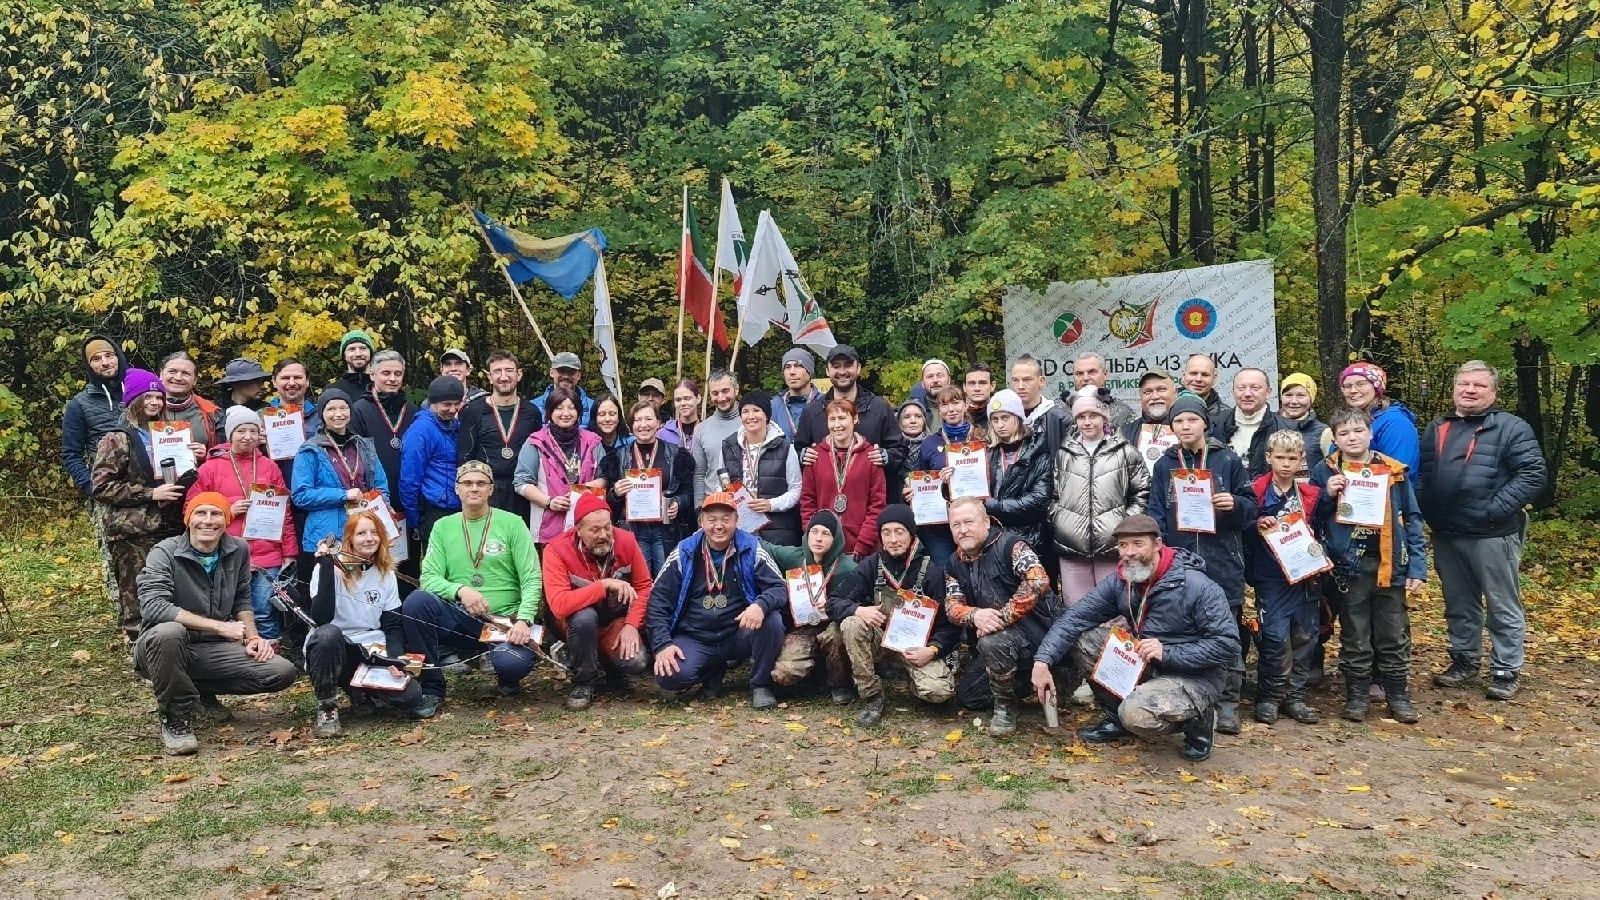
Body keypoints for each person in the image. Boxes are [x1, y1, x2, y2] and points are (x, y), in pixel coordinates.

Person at [1030, 515, 1238, 762]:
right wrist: (1042, 661)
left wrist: (1168, 652)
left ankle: (1197, 720)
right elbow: (1074, 618)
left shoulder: (1197, 585)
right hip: (1147, 661)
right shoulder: (1122, 581)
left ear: (1158, 544)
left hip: (1195, 676)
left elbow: (1228, 645)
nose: (1128, 553)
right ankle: (1115, 718)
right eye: (1122, 545)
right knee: (1084, 638)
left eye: (1138, 544)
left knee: (1136, 716)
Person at [134, 492, 299, 755]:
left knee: (281, 671)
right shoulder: (164, 552)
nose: (208, 521)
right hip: (162, 648)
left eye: (216, 514)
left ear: (226, 521)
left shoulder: (238, 549)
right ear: (188, 519)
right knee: (169, 632)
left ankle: (198, 692)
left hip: (209, 649)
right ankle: (175, 718)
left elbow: (242, 598)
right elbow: (153, 607)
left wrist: (253, 637)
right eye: (200, 513)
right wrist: (219, 627)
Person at [1418, 361, 1546, 702]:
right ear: (1454, 389)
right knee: (1459, 603)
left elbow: (1532, 474)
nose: (1470, 390)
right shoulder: (1438, 427)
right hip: (1447, 532)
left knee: (1502, 604)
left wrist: (1495, 509)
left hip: (1492, 534)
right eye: (1464, 384)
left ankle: (1506, 668)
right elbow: (1425, 476)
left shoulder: (1511, 427)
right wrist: (1424, 512)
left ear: (1493, 392)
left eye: (1479, 385)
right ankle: (1464, 660)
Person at [1146, 392, 1257, 734]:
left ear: (1205, 424)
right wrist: (1161, 548)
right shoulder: (1165, 464)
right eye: (1178, 420)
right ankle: (1194, 699)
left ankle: (1227, 704)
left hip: (1222, 561)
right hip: (1183, 565)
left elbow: (1252, 507)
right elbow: (1156, 512)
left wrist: (1235, 504)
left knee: (1227, 634)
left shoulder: (1227, 460)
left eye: (1191, 419)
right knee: (1187, 633)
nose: (1185, 426)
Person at [1311, 410, 1429, 721]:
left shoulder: (1393, 471)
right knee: (1355, 633)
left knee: (1393, 633)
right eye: (1344, 433)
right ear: (1334, 439)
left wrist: (1418, 566)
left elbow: (1412, 519)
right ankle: (1357, 695)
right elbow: (1310, 517)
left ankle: (1398, 695)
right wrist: (1326, 495)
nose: (1352, 438)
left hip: (1389, 563)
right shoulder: (1324, 471)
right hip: (1348, 567)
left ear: (1370, 433)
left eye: (1358, 431)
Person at [402, 462, 544, 702]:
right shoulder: (443, 527)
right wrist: (460, 590)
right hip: (459, 616)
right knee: (417, 603)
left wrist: (524, 619)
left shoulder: (513, 523)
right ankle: (432, 686)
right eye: (467, 483)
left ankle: (506, 676)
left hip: (502, 621)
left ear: (491, 489)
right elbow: (428, 579)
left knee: (513, 663)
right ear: (457, 489)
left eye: (481, 483)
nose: (474, 488)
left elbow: (531, 576)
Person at [647, 492, 788, 709]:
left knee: (772, 621)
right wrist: (662, 644)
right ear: (701, 522)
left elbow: (779, 587)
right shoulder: (684, 552)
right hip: (696, 636)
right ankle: (712, 670)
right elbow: (658, 599)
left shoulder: (752, 547)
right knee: (668, 676)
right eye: (712, 520)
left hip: (738, 634)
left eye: (725, 519)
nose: (718, 526)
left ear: (737, 520)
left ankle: (761, 684)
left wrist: (760, 605)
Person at [303, 511, 436, 738]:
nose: (369, 538)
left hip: (371, 646)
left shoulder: (385, 572)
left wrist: (394, 658)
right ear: (349, 538)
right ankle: (327, 707)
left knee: (411, 696)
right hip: (334, 646)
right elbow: (321, 618)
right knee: (327, 634)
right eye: (361, 533)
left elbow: (392, 625)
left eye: (374, 533)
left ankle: (360, 692)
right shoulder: (327, 569)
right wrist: (326, 567)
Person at [829, 505, 960, 726]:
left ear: (911, 535)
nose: (893, 539)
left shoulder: (931, 571)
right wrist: (858, 610)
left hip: (915, 648)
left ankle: (914, 681)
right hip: (879, 642)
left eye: (899, 531)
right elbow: (833, 602)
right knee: (852, 624)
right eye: (886, 532)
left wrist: (932, 650)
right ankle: (871, 695)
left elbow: (951, 627)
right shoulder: (870, 565)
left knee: (939, 693)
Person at [944, 497, 1062, 735]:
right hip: (997, 642)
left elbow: (1038, 581)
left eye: (969, 522)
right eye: (956, 525)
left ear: (986, 522)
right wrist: (974, 615)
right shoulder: (953, 563)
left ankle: (1006, 707)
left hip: (1037, 634)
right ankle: (1027, 684)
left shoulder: (1012, 546)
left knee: (991, 640)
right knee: (969, 697)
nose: (963, 529)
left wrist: (1001, 617)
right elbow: (951, 605)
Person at [92, 369, 194, 643]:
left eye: (159, 397)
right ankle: (139, 645)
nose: (154, 403)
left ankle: (167, 643)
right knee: (136, 589)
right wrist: (150, 493)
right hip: (131, 528)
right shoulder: (116, 437)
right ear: (133, 400)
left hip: (165, 522)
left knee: (164, 586)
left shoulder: (164, 433)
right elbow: (101, 486)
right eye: (147, 396)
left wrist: (190, 458)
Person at [187, 407, 298, 644]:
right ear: (230, 434)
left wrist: (289, 552)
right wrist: (227, 509)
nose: (247, 436)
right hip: (227, 551)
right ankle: (236, 657)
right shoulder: (210, 468)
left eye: (253, 431)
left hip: (269, 553)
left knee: (265, 610)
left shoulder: (270, 466)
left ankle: (270, 659)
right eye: (241, 430)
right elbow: (190, 508)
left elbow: (285, 513)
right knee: (228, 609)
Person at [1244, 430, 1328, 725]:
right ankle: (1269, 696)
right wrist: (1256, 524)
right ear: (1268, 458)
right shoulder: (1255, 492)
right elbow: (1240, 530)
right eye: (1279, 457)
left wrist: (1321, 550)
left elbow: (1322, 530)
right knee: (1275, 637)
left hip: (1306, 576)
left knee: (1305, 636)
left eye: (1292, 458)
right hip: (1270, 576)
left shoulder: (1310, 495)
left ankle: (1295, 697)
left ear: (1301, 460)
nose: (1285, 464)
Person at [541, 493, 653, 709]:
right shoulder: (556, 549)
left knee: (636, 662)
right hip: (573, 621)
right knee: (585, 618)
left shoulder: (626, 540)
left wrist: (631, 625)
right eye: (594, 530)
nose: (603, 535)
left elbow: (644, 586)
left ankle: (610, 668)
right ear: (578, 530)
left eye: (607, 527)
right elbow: (559, 604)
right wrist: (603, 586)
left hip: (613, 617)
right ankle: (584, 680)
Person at [1051, 390, 1150, 601]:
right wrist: (1059, 519)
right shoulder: (1064, 453)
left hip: (1112, 547)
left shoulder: (1126, 452)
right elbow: (1053, 493)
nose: (1087, 422)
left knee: (1115, 612)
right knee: (1077, 612)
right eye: (1080, 417)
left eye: (1093, 415)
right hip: (1072, 548)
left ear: (1104, 417)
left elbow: (1142, 492)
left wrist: (1123, 522)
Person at [765, 510, 857, 701]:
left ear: (836, 538)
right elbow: (766, 547)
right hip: (804, 628)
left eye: (826, 534)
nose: (818, 538)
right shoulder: (795, 557)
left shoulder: (849, 569)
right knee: (783, 674)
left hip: (833, 627)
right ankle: (813, 675)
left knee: (836, 635)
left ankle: (840, 684)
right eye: (814, 532)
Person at [291, 388, 392, 558]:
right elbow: (301, 495)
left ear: (350, 412)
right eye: (331, 409)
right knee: (331, 584)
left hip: (365, 534)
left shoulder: (364, 446)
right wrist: (343, 495)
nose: (338, 414)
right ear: (322, 414)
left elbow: (381, 487)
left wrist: (381, 513)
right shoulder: (309, 450)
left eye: (343, 408)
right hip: (327, 537)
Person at [602, 401, 694, 574]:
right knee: (638, 583)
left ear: (658, 423)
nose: (643, 425)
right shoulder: (616, 458)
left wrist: (677, 503)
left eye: (648, 419)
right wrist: (615, 493)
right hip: (632, 531)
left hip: (666, 530)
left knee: (666, 582)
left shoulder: (677, 455)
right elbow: (607, 502)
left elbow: (689, 491)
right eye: (638, 420)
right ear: (631, 426)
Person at [793, 345, 906, 476]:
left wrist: (886, 457)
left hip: (871, 493)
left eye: (848, 365)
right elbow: (797, 450)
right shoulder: (812, 410)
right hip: (827, 494)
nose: (842, 371)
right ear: (827, 371)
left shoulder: (879, 407)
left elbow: (900, 450)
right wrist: (803, 455)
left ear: (858, 368)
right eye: (836, 366)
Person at [457, 351, 542, 518]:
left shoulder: (532, 412)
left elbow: (539, 456)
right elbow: (464, 458)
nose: (504, 377)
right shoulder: (473, 411)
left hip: (522, 491)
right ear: (489, 377)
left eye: (509, 370)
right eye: (497, 371)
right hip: (486, 490)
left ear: (519, 374)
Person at [517, 386, 605, 546]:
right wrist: (549, 501)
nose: (566, 413)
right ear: (549, 412)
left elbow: (605, 477)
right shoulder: (535, 442)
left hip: (588, 527)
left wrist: (581, 491)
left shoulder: (593, 442)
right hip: (548, 528)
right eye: (559, 408)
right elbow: (521, 483)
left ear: (578, 412)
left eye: (571, 408)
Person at [801, 399, 887, 559]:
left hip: (862, 549)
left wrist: (864, 544)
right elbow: (807, 502)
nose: (837, 425)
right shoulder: (815, 456)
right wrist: (813, 537)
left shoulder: (871, 457)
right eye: (832, 419)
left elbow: (877, 505)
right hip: (823, 548)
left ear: (855, 419)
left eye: (842, 418)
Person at [908, 385, 983, 564]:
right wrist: (913, 493)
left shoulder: (982, 437)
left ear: (965, 405)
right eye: (944, 405)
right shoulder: (929, 443)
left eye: (956, 403)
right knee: (945, 574)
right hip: (940, 525)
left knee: (979, 573)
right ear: (939, 410)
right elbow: (923, 482)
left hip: (974, 520)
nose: (951, 409)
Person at [718, 392, 802, 546]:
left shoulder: (785, 447)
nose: (751, 416)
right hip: (739, 528)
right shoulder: (728, 446)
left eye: (756, 410)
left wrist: (771, 504)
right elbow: (720, 485)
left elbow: (796, 490)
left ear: (767, 415)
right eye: (745, 411)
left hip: (777, 531)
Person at [398, 376, 467, 553]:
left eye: (456, 404)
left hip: (459, 507)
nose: (452, 409)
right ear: (433, 402)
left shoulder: (456, 426)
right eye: (446, 405)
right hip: (433, 511)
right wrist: (414, 521)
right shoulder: (420, 431)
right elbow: (409, 479)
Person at [982, 389, 1053, 552]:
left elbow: (1038, 500)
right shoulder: (987, 452)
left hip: (1031, 539)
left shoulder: (1037, 451)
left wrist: (992, 505)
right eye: (995, 419)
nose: (1000, 425)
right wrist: (949, 485)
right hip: (992, 539)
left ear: (1018, 417)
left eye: (1005, 418)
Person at [61, 334, 127, 498]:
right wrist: (91, 486)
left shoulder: (143, 392)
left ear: (118, 356)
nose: (105, 362)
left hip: (149, 488)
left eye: (109, 355)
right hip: (110, 492)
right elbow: (71, 454)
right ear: (89, 365)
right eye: (96, 359)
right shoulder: (79, 405)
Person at [1337, 362, 1420, 485]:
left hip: (1386, 499)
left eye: (1361, 384)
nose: (1353, 390)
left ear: (1376, 388)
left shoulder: (1395, 422)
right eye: (1347, 386)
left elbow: (1400, 473)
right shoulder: (1345, 422)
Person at [351, 349, 414, 504]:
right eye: (386, 373)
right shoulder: (359, 410)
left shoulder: (412, 410)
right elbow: (354, 461)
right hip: (375, 496)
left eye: (398, 374)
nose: (392, 379)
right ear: (372, 375)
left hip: (409, 496)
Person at [1212, 367, 1285, 478]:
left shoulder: (1284, 428)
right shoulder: (1215, 425)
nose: (1247, 394)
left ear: (1268, 392)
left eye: (1255, 388)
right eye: (1241, 388)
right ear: (1233, 392)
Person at [691, 370, 744, 506]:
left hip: (746, 502)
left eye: (725, 391)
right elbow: (699, 473)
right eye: (715, 393)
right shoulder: (702, 429)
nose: (721, 397)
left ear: (736, 389)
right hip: (714, 504)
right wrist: (699, 507)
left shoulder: (750, 422)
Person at [158, 351, 221, 451]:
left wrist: (208, 456)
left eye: (186, 373)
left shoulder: (212, 412)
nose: (178, 378)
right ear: (161, 374)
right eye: (172, 371)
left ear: (195, 380)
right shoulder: (143, 408)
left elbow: (224, 453)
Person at [1120, 371, 1180, 472]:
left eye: (1161, 389)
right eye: (1148, 392)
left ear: (1175, 393)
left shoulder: (1190, 429)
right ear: (1141, 397)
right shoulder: (1124, 433)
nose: (1155, 396)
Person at [1007, 355, 1068, 454]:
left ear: (1041, 381)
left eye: (1027, 380)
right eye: (1015, 380)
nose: (1020, 386)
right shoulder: (1002, 417)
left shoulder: (1061, 419)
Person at [1276, 372, 1326, 476]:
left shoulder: (1324, 432)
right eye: (1288, 395)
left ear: (1311, 399)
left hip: (1309, 491)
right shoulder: (1268, 425)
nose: (1294, 401)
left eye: (1301, 396)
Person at [1070, 354, 1137, 430]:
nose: (1085, 378)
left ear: (1105, 374)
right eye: (1079, 373)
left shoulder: (1123, 413)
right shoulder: (1059, 412)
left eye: (1092, 372)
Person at [531, 351, 596, 423]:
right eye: (561, 371)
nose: (566, 376)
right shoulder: (534, 407)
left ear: (578, 375)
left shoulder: (594, 408)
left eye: (571, 372)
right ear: (551, 372)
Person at [771, 348, 822, 440]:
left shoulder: (824, 403)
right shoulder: (773, 406)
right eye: (787, 367)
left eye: (798, 366)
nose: (792, 372)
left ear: (809, 372)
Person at [326, 329, 375, 398]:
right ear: (344, 355)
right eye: (352, 349)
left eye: (363, 348)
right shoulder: (333, 390)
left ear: (371, 353)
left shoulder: (382, 387)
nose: (358, 354)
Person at [1181, 354, 1231, 420]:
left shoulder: (1226, 416)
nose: (1198, 379)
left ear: (1214, 378)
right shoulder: (1167, 408)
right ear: (1183, 376)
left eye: (1205, 375)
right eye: (1193, 373)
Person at [659, 378, 700, 449]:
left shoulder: (707, 430)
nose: (683, 403)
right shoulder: (663, 434)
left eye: (687, 398)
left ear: (698, 398)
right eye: (678, 400)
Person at [964, 363, 995, 429]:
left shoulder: (1002, 413)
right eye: (972, 383)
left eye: (982, 383)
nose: (977, 388)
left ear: (992, 386)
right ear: (964, 387)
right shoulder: (956, 415)